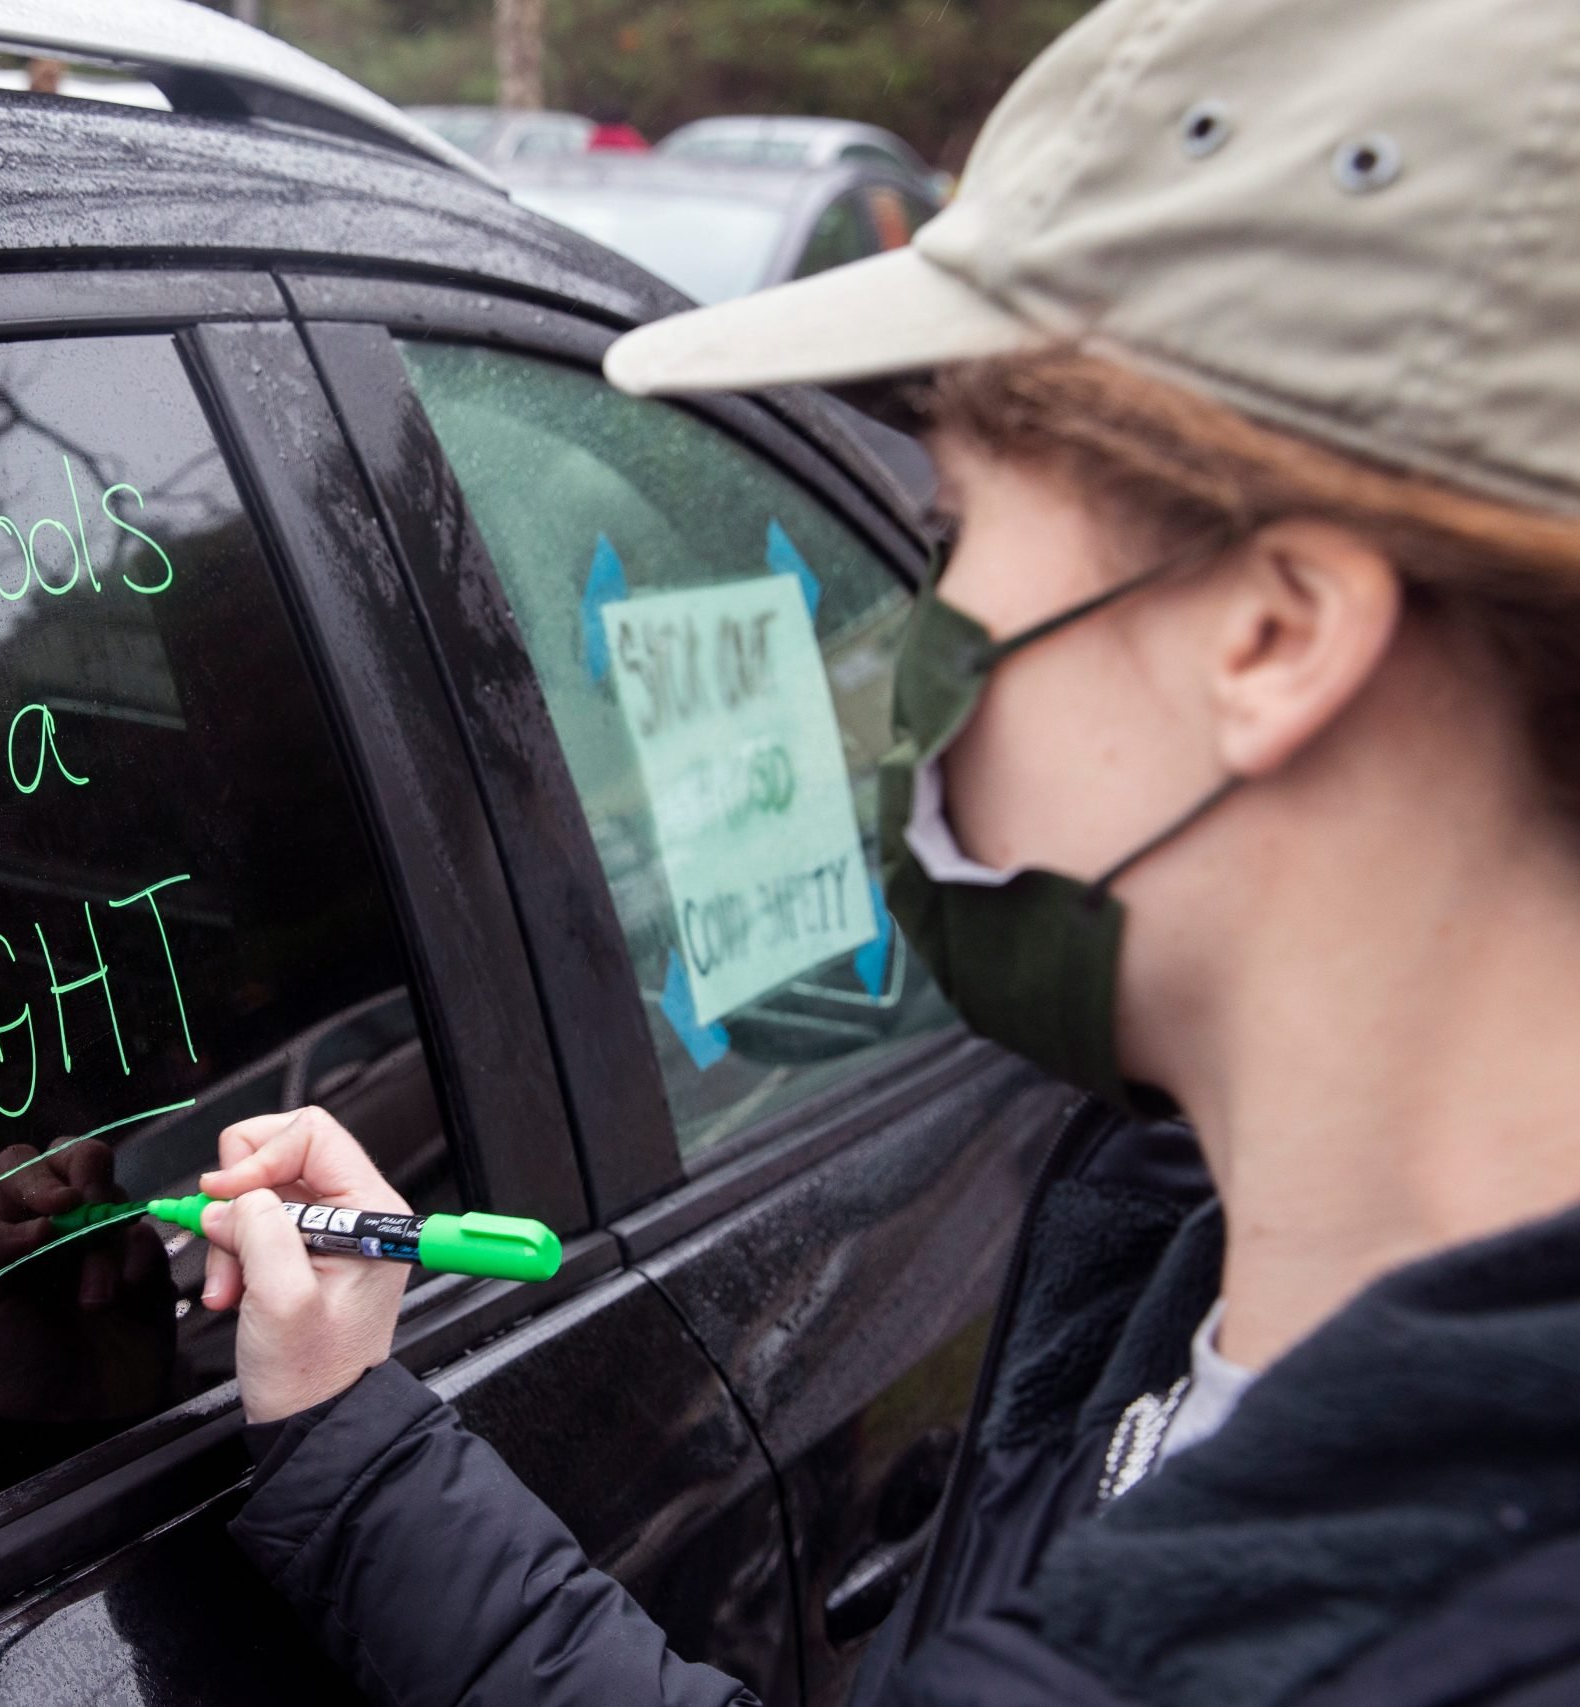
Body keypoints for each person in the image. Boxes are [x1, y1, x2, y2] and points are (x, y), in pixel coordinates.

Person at [194, 0, 1580, 1701]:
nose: (913, 654)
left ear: (1274, 638)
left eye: (957, 533)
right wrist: (354, 1441)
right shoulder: (1216, 1265)